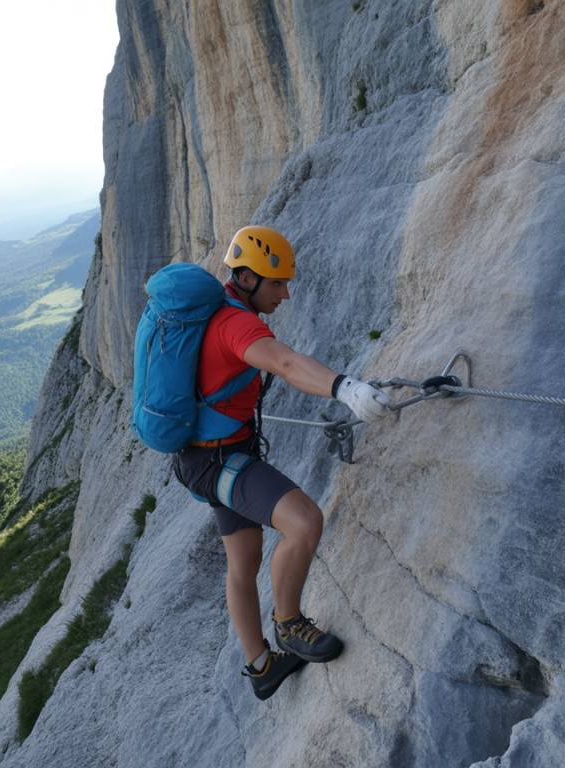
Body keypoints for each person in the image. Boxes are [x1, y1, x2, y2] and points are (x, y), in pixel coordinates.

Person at [171, 225, 391, 700]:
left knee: (243, 560)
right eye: (277, 283)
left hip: (206, 457)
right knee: (304, 521)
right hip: (220, 461)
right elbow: (286, 364)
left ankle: (261, 667)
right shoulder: (236, 325)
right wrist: (346, 388)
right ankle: (289, 624)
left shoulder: (220, 311)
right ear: (247, 278)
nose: (286, 294)